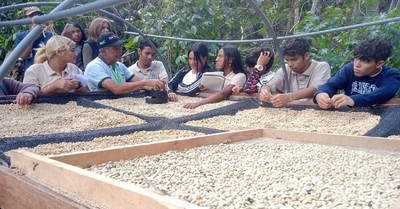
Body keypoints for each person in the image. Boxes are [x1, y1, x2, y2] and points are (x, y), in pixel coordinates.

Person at [314, 38, 400, 109]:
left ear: (379, 64)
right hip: (350, 116)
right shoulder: (349, 69)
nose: (357, 64)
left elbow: (384, 92)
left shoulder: (391, 75)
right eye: (356, 58)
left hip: (378, 117)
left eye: (365, 61)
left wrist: (353, 100)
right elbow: (332, 84)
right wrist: (321, 93)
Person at [259, 37, 331, 107]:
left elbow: (315, 89)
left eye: (294, 59)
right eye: (287, 60)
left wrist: (290, 97)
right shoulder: (286, 69)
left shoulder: (321, 67)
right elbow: (269, 85)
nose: (290, 64)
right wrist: (264, 91)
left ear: (306, 56)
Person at [84, 32, 164, 94]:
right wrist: (145, 82)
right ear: (104, 51)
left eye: (120, 47)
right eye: (115, 48)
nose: (119, 51)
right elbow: (115, 88)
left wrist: (156, 87)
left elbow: (137, 82)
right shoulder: (94, 66)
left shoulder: (119, 65)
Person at [23, 35, 88, 95]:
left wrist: (78, 86)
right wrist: (53, 86)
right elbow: (29, 96)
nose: (76, 54)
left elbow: (87, 93)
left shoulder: (73, 68)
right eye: (72, 50)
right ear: (59, 52)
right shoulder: (34, 71)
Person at [14, 7, 53, 73]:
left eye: (38, 15)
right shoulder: (21, 36)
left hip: (48, 72)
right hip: (31, 73)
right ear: (25, 19)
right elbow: (23, 56)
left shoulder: (49, 34)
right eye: (32, 16)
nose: (36, 17)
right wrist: (32, 34)